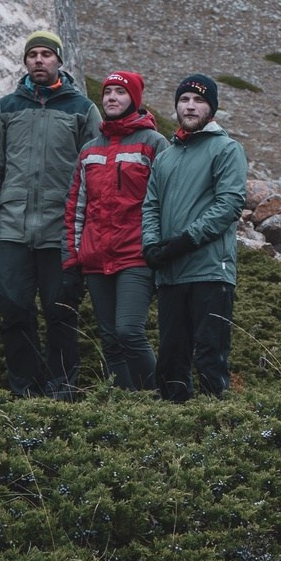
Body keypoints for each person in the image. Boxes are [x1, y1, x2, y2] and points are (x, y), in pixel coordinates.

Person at [0, 30, 97, 398]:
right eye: (33, 55)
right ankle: (24, 389)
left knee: (62, 312)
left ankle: (62, 388)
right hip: (12, 229)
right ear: (26, 61)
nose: (39, 60)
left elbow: (94, 173)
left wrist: (86, 232)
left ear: (59, 60)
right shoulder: (6, 108)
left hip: (61, 231)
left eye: (46, 54)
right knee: (14, 310)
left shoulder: (82, 109)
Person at [140, 71, 247, 401]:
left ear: (211, 108)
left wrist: (185, 240)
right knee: (171, 362)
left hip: (210, 272)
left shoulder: (227, 149)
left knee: (210, 358)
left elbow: (229, 205)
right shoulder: (165, 157)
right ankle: (174, 424)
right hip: (170, 274)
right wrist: (151, 245)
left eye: (199, 100)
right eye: (184, 99)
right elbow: (151, 205)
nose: (190, 106)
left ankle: (216, 423)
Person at [66, 70, 165, 391]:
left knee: (129, 331)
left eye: (120, 92)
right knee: (110, 340)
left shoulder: (154, 143)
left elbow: (166, 202)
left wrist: (161, 249)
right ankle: (126, 406)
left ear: (134, 99)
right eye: (107, 92)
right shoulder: (89, 150)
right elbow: (76, 206)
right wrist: (74, 254)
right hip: (96, 258)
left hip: (136, 255)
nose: (111, 97)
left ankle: (163, 400)